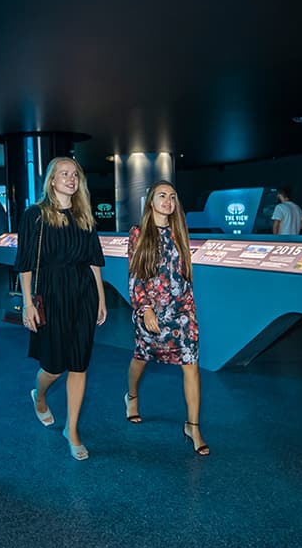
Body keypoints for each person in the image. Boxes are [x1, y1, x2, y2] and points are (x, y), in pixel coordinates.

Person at [16, 156, 107, 461]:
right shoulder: (35, 216)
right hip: (51, 295)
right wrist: (28, 303)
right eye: (63, 174)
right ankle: (39, 397)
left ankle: (73, 429)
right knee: (54, 366)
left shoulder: (84, 216)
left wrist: (101, 299)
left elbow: (94, 259)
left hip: (83, 295)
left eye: (75, 174)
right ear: (51, 181)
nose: (70, 179)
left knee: (79, 364)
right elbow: (25, 264)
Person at [125, 181, 209, 456]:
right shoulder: (138, 233)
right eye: (162, 196)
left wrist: (188, 308)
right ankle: (132, 397)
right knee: (140, 358)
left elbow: (185, 275)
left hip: (182, 312)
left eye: (173, 196)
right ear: (151, 201)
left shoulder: (180, 232)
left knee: (191, 365)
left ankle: (193, 426)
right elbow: (136, 276)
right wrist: (145, 309)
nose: (168, 201)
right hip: (151, 310)